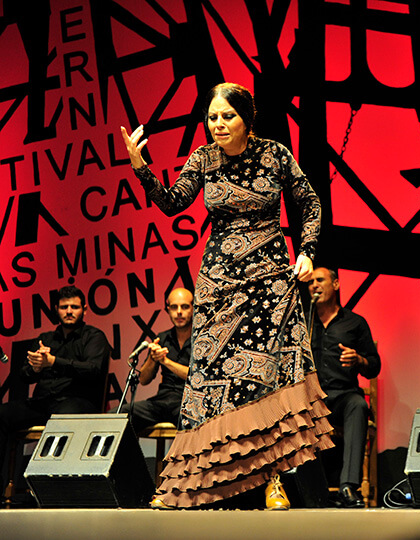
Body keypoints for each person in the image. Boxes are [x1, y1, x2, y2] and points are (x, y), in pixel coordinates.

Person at [121, 82, 333, 510]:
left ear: (246, 119)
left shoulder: (275, 154)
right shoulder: (203, 158)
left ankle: (275, 480)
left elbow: (310, 202)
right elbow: (171, 202)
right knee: (208, 383)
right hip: (219, 282)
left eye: (227, 116)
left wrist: (307, 253)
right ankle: (188, 485)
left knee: (267, 381)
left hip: (270, 281)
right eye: (213, 117)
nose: (218, 124)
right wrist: (140, 164)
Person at [0, 285, 111, 493]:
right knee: (3, 413)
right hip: (44, 403)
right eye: (64, 307)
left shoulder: (94, 336)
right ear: (56, 309)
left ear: (84, 310)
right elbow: (24, 376)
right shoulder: (46, 338)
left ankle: (50, 488)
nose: (69, 311)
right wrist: (35, 367)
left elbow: (93, 370)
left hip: (78, 402)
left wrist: (54, 362)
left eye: (74, 307)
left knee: (62, 417)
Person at [308, 267, 381, 508]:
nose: (314, 285)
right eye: (311, 282)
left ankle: (349, 487)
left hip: (342, 397)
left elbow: (374, 366)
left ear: (336, 284)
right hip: (312, 399)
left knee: (358, 405)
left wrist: (359, 359)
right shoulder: (305, 324)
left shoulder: (355, 323)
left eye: (320, 280)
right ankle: (308, 490)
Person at [119, 288, 193, 432]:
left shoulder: (202, 340)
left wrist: (166, 362)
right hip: (161, 402)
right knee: (118, 416)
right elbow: (144, 380)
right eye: (174, 307)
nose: (179, 312)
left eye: (184, 307)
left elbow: (197, 376)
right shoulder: (162, 338)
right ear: (168, 309)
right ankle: (135, 455)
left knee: (196, 421)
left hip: (186, 403)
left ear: (193, 309)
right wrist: (153, 359)